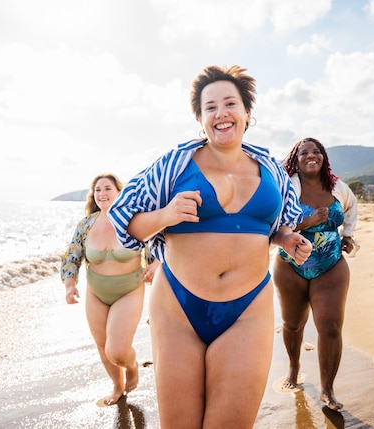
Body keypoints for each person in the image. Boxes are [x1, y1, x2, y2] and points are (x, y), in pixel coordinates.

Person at [107, 65, 313, 428]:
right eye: (210, 107)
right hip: (178, 309)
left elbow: (275, 227)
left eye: (230, 103)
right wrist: (166, 215)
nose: (221, 113)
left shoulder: (272, 170)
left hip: (248, 310)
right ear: (200, 118)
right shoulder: (174, 163)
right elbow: (126, 220)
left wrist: (286, 240)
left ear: (247, 114)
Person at [272, 137, 358, 411]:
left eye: (316, 151)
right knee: (293, 324)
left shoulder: (338, 188)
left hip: (331, 266)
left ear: (323, 157)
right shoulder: (287, 188)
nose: (311, 155)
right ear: (295, 161)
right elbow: (274, 224)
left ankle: (328, 390)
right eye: (304, 152)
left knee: (331, 326)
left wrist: (349, 237)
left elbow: (351, 210)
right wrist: (307, 221)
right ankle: (294, 368)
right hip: (290, 266)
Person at [60, 173, 159, 406]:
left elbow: (157, 242)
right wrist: (69, 284)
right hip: (96, 292)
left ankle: (132, 366)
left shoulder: (134, 219)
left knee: (117, 350)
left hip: (129, 291)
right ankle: (117, 387)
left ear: (119, 192)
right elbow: (72, 254)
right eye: (98, 190)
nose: (102, 194)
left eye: (107, 189)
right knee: (103, 347)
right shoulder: (87, 223)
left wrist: (155, 263)